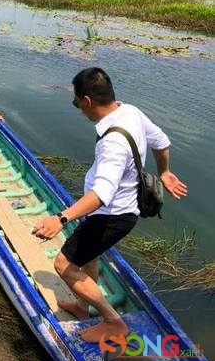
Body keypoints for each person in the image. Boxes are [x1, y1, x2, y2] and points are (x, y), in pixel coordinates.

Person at [32, 67, 188, 343]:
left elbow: (101, 194)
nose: (79, 108)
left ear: (87, 101)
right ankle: (83, 306)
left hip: (111, 215)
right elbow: (161, 142)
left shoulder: (112, 142)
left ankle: (113, 322)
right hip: (117, 210)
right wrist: (164, 172)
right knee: (88, 257)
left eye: (76, 102)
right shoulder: (130, 112)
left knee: (64, 264)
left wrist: (61, 218)